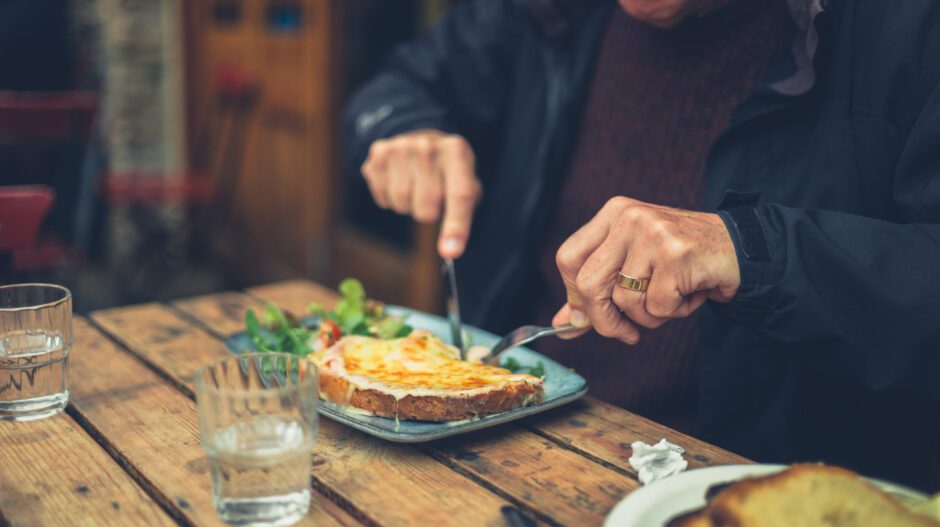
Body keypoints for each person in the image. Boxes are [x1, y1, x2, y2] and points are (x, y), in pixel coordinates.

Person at [345, 0, 940, 490]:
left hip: (742, 489)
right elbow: (398, 85)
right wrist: (402, 129)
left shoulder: (904, 27)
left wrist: (751, 251)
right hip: (495, 438)